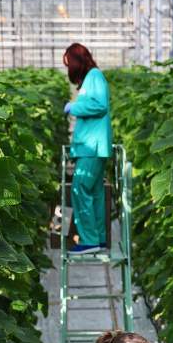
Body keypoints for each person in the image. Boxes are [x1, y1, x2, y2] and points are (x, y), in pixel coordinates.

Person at [62, 43, 113, 255]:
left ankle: (89, 240)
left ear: (77, 61)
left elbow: (100, 105)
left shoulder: (94, 75)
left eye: (69, 64)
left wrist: (74, 107)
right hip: (91, 146)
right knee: (95, 192)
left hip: (92, 147)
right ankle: (98, 239)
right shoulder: (91, 78)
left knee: (80, 189)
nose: (68, 69)